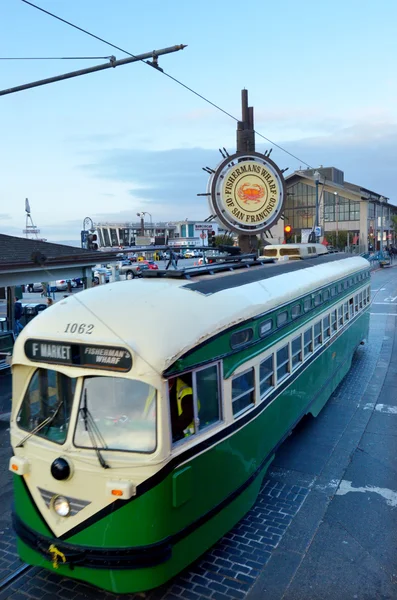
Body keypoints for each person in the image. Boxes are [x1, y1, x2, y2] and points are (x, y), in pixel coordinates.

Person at [169, 375, 194, 441]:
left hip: (184, 436)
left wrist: (168, 430)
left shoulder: (186, 391)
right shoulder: (154, 386)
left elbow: (187, 417)